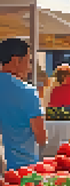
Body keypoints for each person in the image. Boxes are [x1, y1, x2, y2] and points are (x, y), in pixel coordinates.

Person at [0, 39, 47, 172]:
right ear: (16, 61)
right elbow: (41, 137)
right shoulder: (27, 92)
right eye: (28, 61)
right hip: (24, 168)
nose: (29, 67)